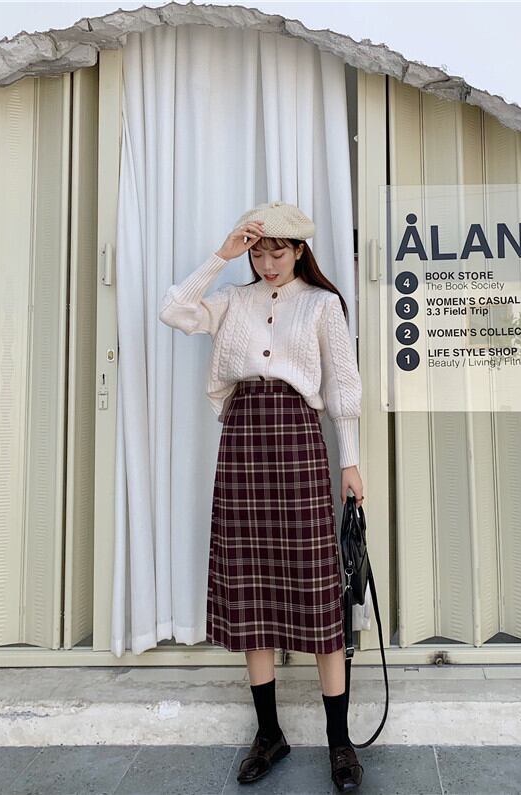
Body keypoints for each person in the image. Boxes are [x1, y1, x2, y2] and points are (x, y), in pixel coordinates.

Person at [158, 201, 365, 792]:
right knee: (251, 585)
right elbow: (174, 310)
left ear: (299, 251)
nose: (267, 263)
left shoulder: (322, 304)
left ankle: (340, 741)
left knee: (317, 586)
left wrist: (350, 461)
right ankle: (269, 733)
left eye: (278, 251)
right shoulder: (233, 299)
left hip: (298, 437)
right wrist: (220, 256)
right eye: (258, 252)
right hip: (244, 439)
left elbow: (343, 384)